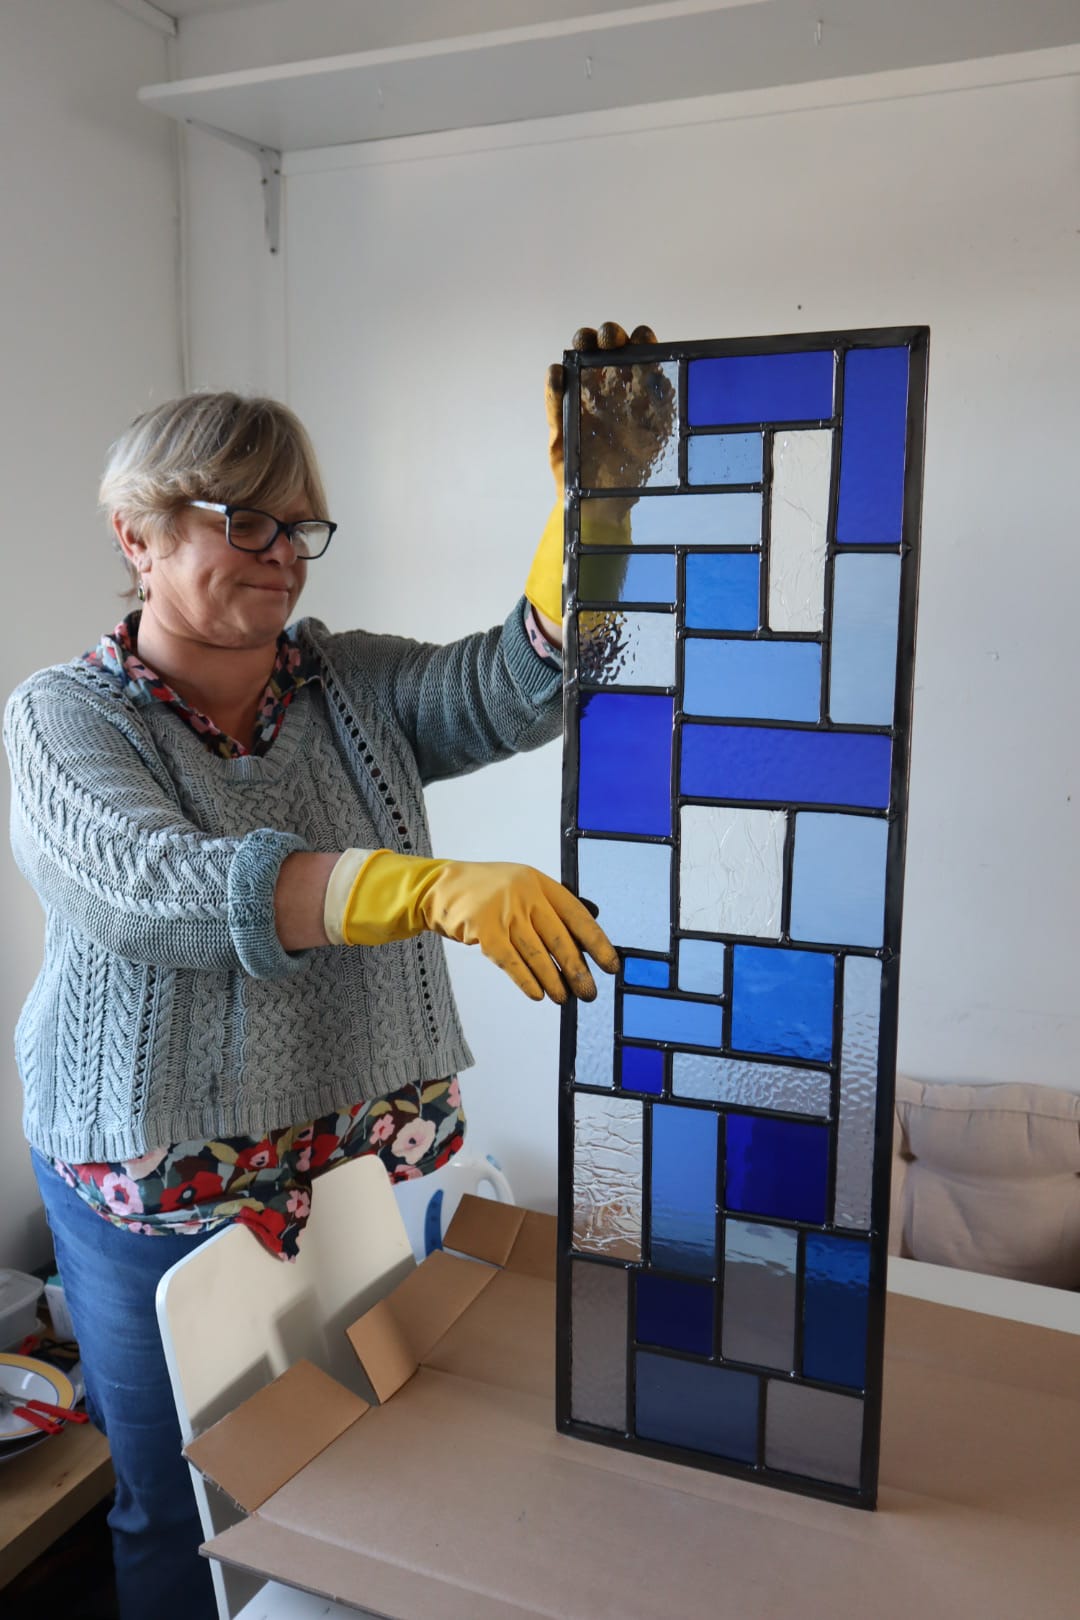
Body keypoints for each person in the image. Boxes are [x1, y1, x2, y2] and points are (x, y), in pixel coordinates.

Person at [4, 322, 662, 1618]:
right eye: (241, 522)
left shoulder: (350, 684)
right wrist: (417, 887)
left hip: (374, 1150)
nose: (283, 555)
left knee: (383, 1469)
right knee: (188, 1508)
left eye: (300, 527)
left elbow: (536, 680)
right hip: (163, 1176)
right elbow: (155, 889)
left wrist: (601, 502)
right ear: (137, 536)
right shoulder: (63, 715)